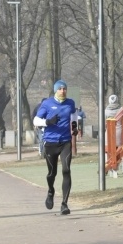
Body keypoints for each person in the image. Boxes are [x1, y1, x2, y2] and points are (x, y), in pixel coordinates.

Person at [33, 80, 78, 215]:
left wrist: (75, 126)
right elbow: (36, 120)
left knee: (66, 170)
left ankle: (64, 204)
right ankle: (51, 191)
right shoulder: (47, 104)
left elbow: (74, 115)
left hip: (65, 141)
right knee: (52, 173)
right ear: (55, 90)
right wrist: (47, 122)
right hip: (50, 142)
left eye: (65, 89)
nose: (63, 91)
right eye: (60, 89)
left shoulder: (70, 103)